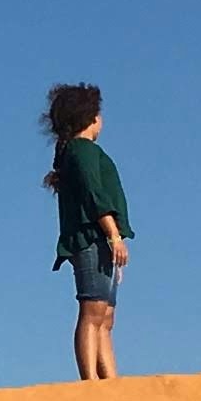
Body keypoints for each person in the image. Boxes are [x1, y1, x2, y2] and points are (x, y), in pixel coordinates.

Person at [41, 82, 130, 380]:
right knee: (93, 311)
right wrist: (113, 235)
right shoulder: (82, 151)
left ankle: (109, 381)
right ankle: (90, 381)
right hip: (92, 240)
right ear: (90, 117)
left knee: (105, 316)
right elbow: (95, 196)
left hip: (100, 241)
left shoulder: (82, 152)